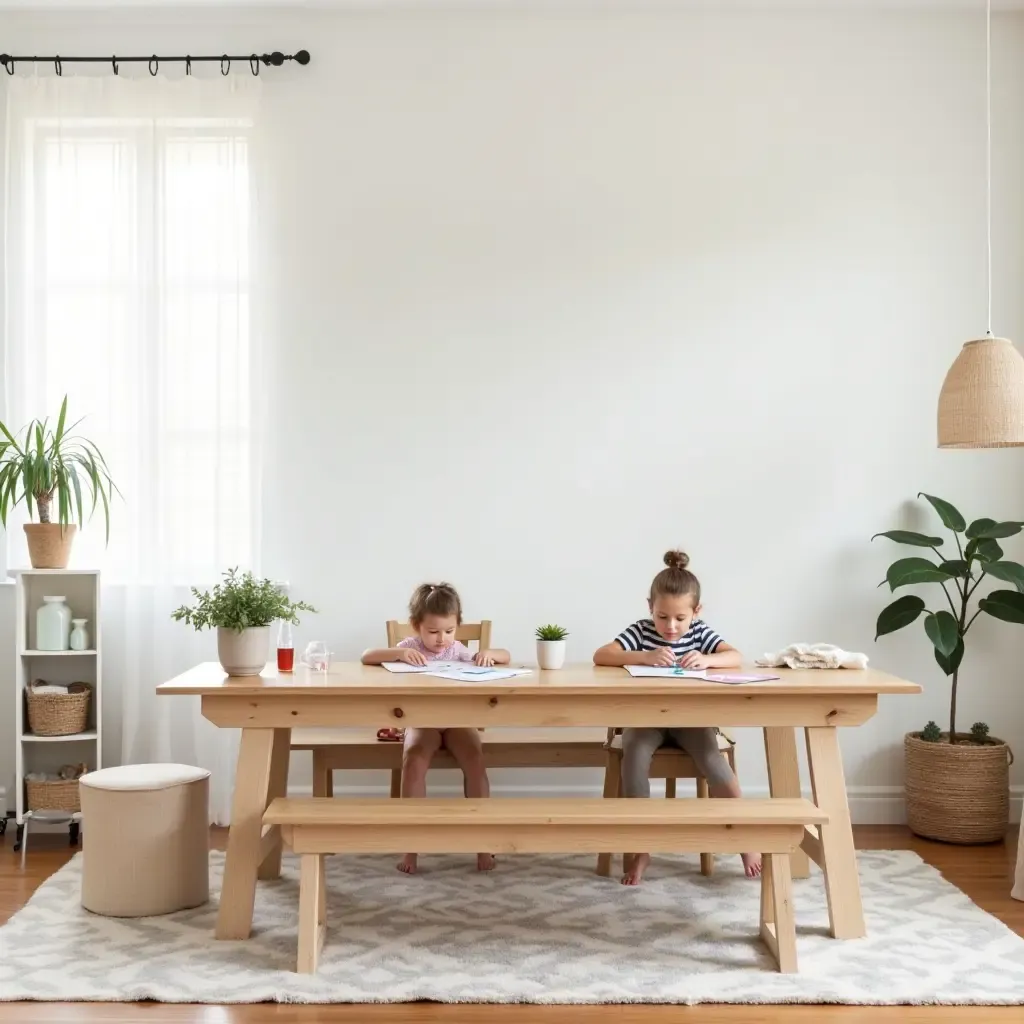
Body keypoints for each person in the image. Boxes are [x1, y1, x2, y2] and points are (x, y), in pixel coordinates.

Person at [593, 550, 761, 885]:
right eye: (662, 616)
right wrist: (644, 655)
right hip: (646, 721)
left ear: (696, 612)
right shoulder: (642, 631)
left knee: (713, 761)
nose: (670, 626)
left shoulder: (700, 634)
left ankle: (746, 839)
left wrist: (707, 660)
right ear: (650, 608)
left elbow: (737, 656)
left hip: (691, 721)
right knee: (634, 757)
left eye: (680, 618)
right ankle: (642, 848)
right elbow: (602, 654)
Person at [362, 582, 509, 874]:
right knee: (413, 760)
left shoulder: (458, 650)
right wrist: (398, 655)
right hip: (423, 723)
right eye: (433, 632)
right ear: (417, 626)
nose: (441, 639)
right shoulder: (409, 648)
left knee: (476, 761)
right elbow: (367, 656)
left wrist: (489, 654)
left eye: (449, 631)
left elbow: (505, 656)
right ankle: (412, 847)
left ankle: (483, 843)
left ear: (457, 627)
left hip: (457, 722)